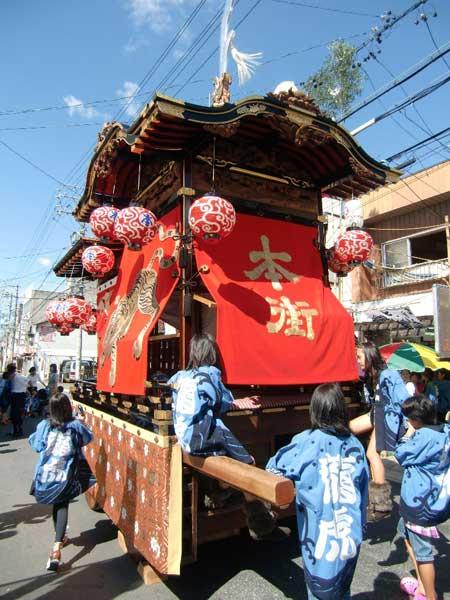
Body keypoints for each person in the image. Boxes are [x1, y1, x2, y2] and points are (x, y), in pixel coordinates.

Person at [168, 333, 282, 540]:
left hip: (184, 436)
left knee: (226, 462)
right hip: (202, 435)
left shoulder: (180, 377)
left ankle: (220, 493)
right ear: (212, 353)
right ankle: (261, 524)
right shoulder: (210, 373)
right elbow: (221, 401)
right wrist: (238, 401)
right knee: (248, 463)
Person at [266, 383, 369, 600]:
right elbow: (363, 490)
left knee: (319, 589)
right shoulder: (355, 445)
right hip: (350, 533)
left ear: (315, 410)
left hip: (320, 535)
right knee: (342, 588)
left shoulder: (306, 442)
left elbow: (272, 469)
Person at [29, 393, 94, 571]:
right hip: (66, 473)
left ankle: (60, 539)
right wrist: (80, 421)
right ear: (68, 408)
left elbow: (36, 445)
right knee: (62, 504)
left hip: (46, 474)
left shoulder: (44, 425)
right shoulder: (75, 426)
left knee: (58, 504)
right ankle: (57, 546)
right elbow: (88, 439)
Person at [395, 396, 449, 600]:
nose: (407, 422)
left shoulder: (423, 436)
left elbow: (401, 454)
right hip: (435, 497)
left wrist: (409, 435)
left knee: (424, 552)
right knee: (407, 535)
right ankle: (422, 588)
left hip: (420, 501)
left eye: (409, 418)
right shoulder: (444, 431)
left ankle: (430, 595)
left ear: (416, 419)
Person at [350, 342, 410, 521]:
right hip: (376, 414)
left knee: (372, 454)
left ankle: (381, 504)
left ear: (369, 355)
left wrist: (409, 427)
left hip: (384, 417)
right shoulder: (373, 376)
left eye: (359, 357)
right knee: (345, 429)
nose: (358, 361)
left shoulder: (389, 374)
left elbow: (404, 401)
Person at [8, 363, 29, 436]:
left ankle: (16, 429)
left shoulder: (12, 376)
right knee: (18, 412)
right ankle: (18, 429)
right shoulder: (19, 376)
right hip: (20, 396)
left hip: (15, 395)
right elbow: (28, 382)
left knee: (14, 412)